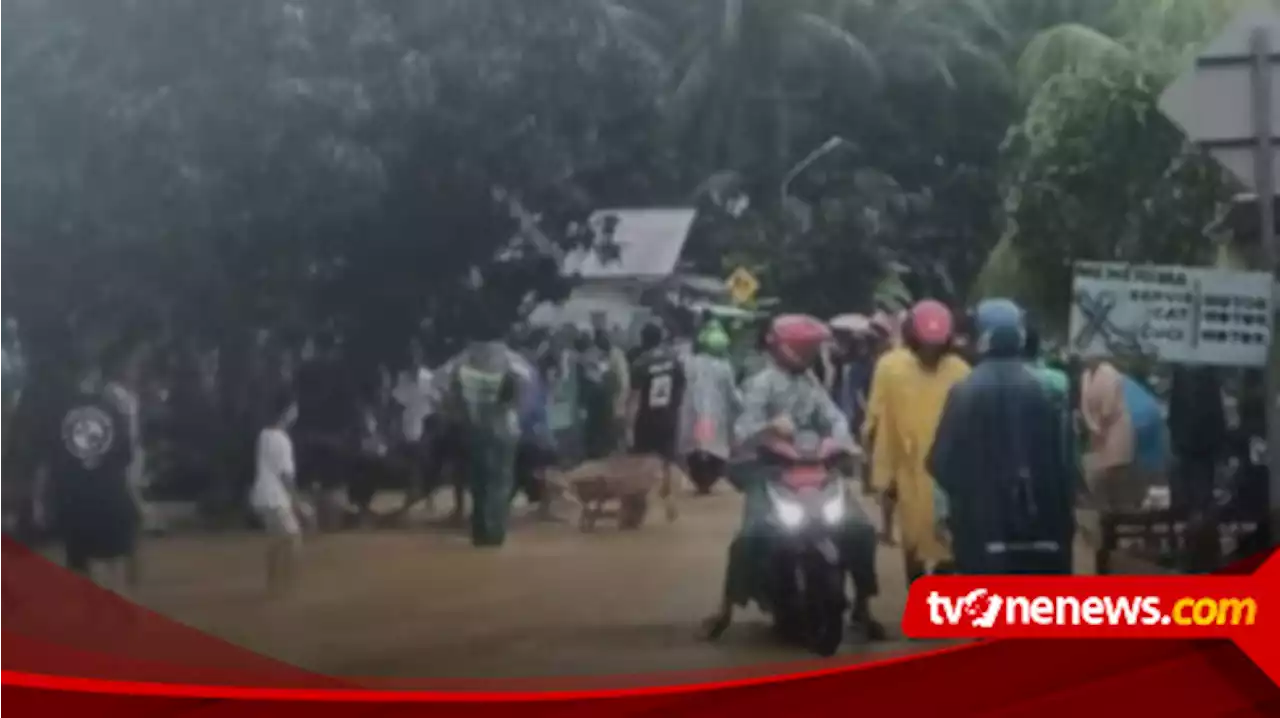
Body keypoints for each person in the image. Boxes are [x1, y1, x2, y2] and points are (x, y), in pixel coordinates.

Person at [702, 314, 884, 641]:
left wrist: (844, 440)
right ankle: (725, 608)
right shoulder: (762, 382)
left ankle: (863, 606)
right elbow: (742, 429)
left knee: (859, 529)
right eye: (807, 347)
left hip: (815, 468)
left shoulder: (809, 382)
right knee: (752, 535)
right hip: (769, 470)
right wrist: (768, 429)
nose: (813, 353)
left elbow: (834, 417)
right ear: (789, 348)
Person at [929, 299, 1075, 575]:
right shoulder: (1048, 391)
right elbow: (1067, 466)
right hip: (1044, 532)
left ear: (982, 338)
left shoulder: (963, 392)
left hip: (983, 535)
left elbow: (940, 464)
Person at [864, 300, 971, 584]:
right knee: (912, 539)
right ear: (912, 339)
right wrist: (881, 473)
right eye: (925, 345)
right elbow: (879, 420)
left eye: (936, 346)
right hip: (908, 470)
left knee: (951, 544)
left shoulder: (961, 372)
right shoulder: (890, 367)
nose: (930, 352)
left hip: (951, 475)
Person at [47, 353, 140, 595]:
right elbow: (127, 455)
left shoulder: (57, 411)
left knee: (81, 564)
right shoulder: (112, 408)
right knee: (114, 561)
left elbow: (51, 458)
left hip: (73, 498)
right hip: (110, 493)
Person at [439, 330, 522, 547]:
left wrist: (460, 414)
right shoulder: (511, 362)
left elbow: (445, 391)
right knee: (500, 482)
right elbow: (520, 394)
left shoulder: (461, 363)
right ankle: (495, 532)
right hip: (504, 431)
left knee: (479, 482)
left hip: (475, 430)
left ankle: (480, 531)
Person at [250, 391, 309, 595]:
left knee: (277, 541)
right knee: (292, 539)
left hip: (261, 495)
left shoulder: (264, 434)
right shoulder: (282, 440)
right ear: (287, 412)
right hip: (275, 498)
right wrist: (299, 502)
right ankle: (285, 585)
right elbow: (286, 477)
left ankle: (274, 583)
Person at [626, 323, 687, 514]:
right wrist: (675, 407)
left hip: (646, 419)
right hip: (668, 416)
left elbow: (634, 396)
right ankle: (669, 498)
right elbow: (682, 386)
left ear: (643, 340)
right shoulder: (674, 358)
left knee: (640, 461)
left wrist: (628, 423)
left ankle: (640, 502)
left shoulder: (640, 363)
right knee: (668, 459)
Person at [678, 321, 740, 494]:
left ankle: (700, 480)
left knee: (694, 447)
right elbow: (733, 395)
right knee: (714, 448)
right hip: (713, 416)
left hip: (692, 414)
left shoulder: (688, 363)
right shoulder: (725, 367)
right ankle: (707, 480)